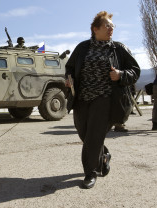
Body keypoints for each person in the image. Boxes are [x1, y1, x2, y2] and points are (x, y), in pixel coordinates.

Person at [65, 11, 140, 189]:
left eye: (112, 26)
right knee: (84, 133)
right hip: (82, 98)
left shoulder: (118, 49)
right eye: (107, 25)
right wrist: (69, 79)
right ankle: (104, 155)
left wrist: (120, 75)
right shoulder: (82, 48)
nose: (111, 29)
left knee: (93, 136)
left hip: (105, 99)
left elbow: (135, 71)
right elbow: (69, 67)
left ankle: (90, 173)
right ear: (95, 28)